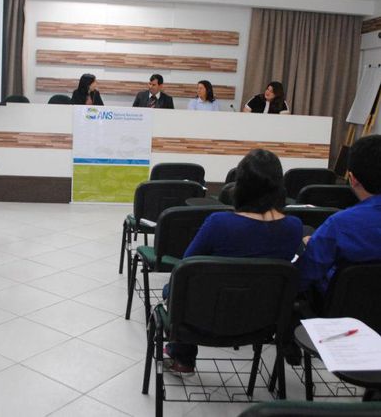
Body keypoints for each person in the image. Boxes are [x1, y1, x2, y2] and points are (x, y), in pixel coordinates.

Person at [162, 149, 303, 374]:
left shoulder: (219, 223)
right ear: (279, 186)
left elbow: (186, 265)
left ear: (240, 186)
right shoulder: (293, 227)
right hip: (263, 321)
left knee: (177, 287)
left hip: (205, 318)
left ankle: (183, 359)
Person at [298, 134, 381, 295]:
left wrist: (313, 245)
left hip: (344, 304)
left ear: (352, 179)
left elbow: (305, 277)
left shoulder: (339, 225)